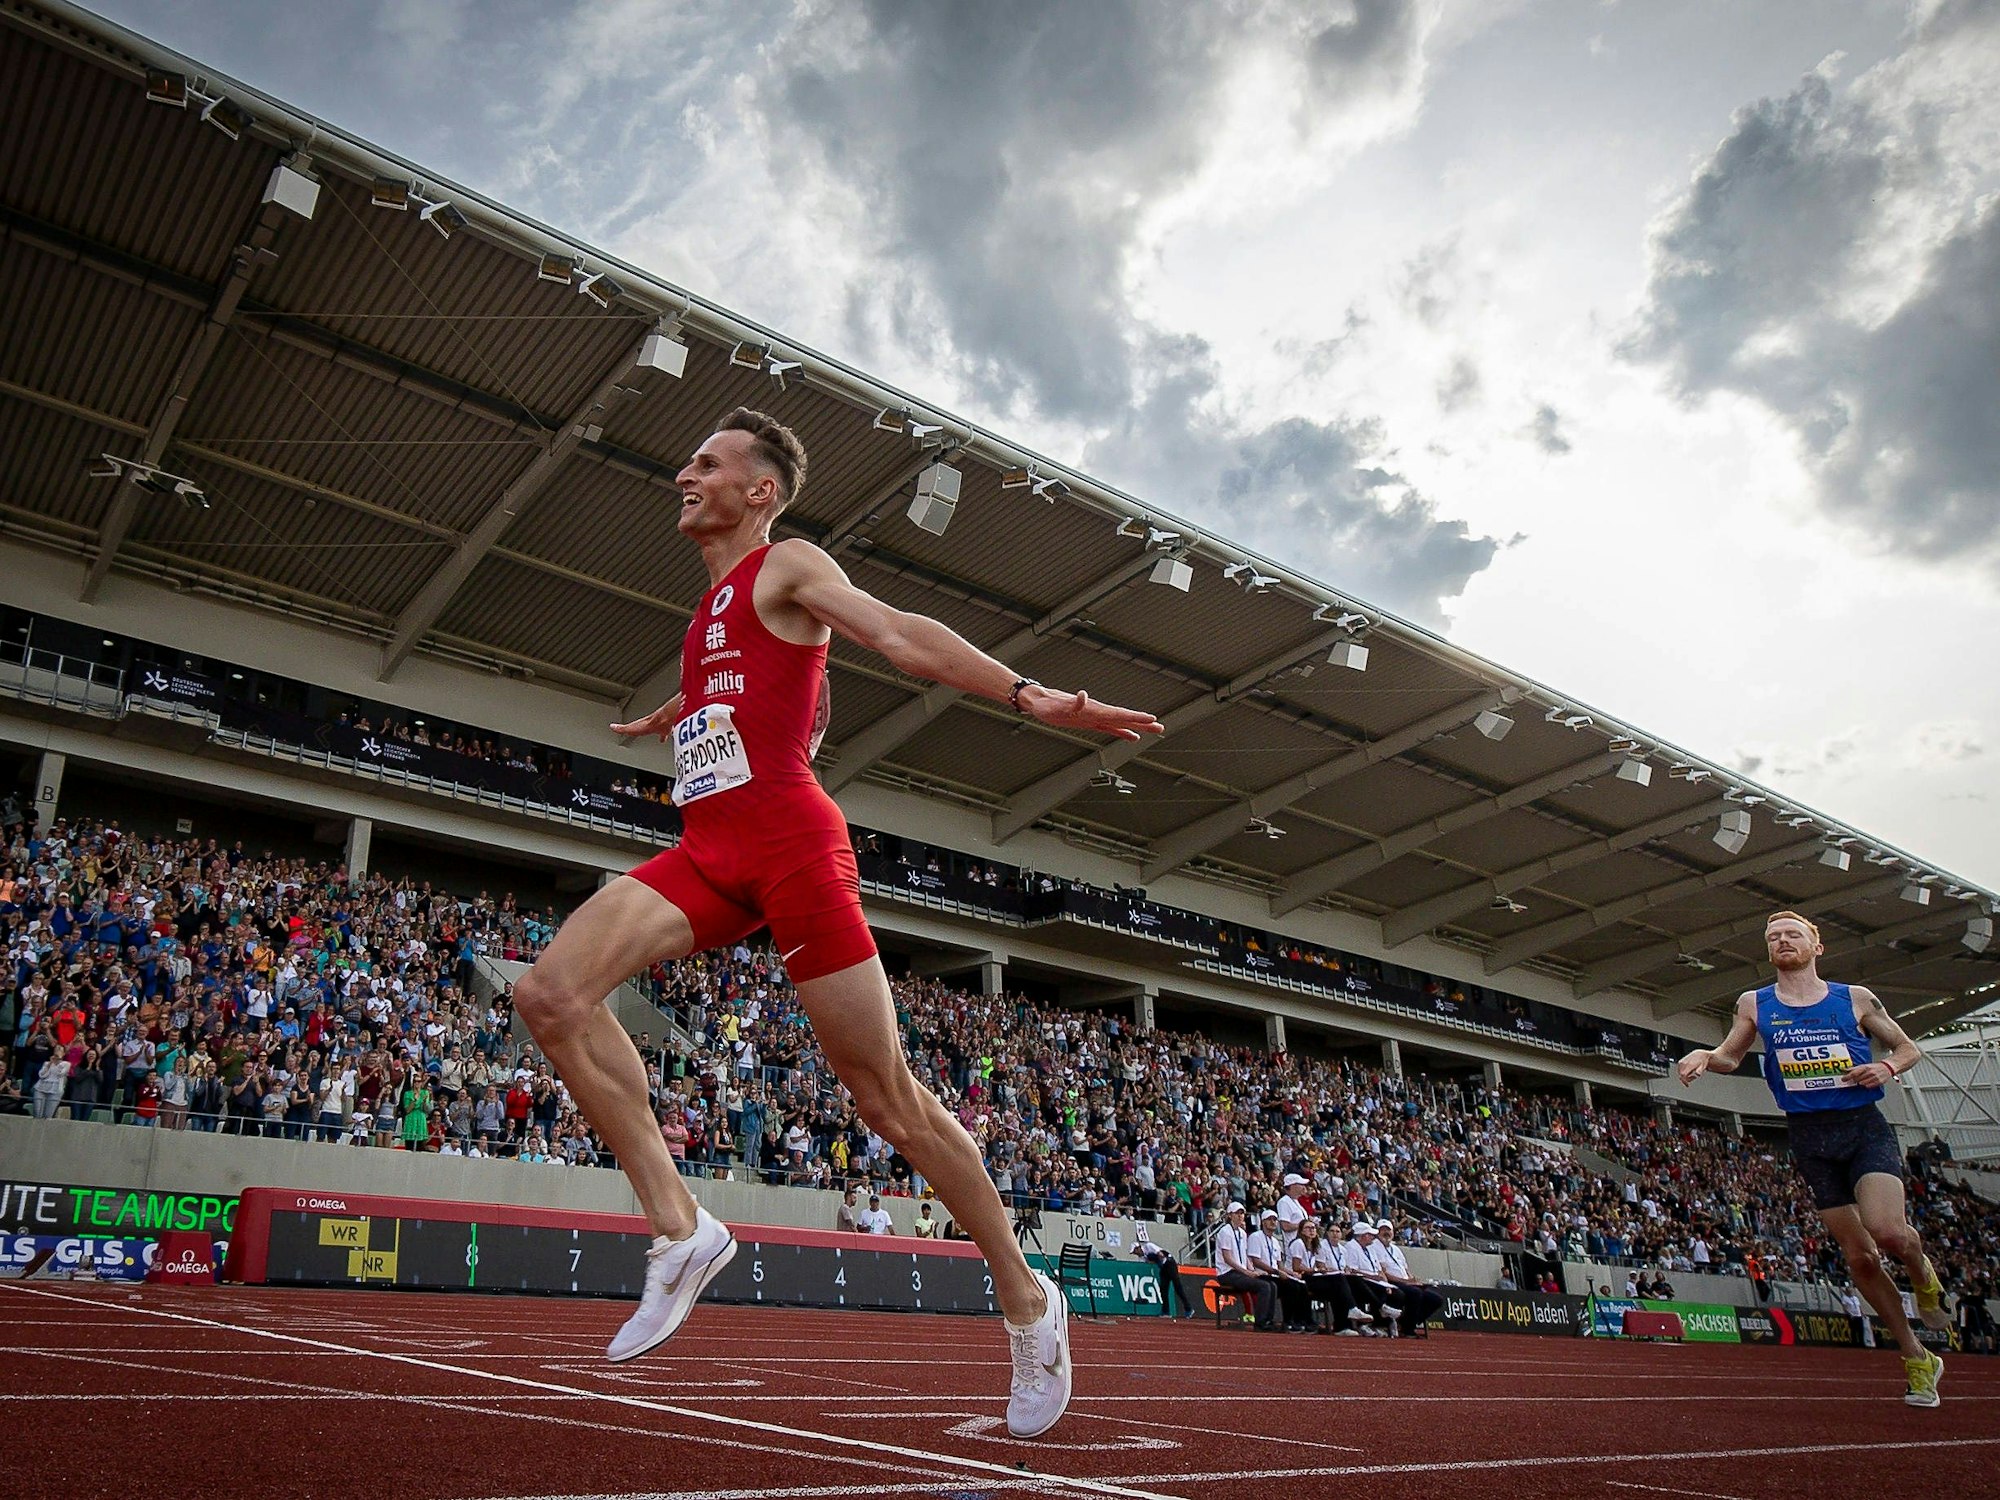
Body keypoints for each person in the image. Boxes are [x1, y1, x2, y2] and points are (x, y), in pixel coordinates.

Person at [510, 408, 1162, 1440]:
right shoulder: (712, 607)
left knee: (887, 1101)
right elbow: (758, 697)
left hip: (792, 850)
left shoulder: (789, 564)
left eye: (707, 462)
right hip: (709, 852)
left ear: (758, 492)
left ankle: (1028, 1302)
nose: (684, 472)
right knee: (547, 993)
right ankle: (681, 1231)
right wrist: (679, 713)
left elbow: (897, 637)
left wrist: (1028, 694)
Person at [1679, 909, 1950, 1406]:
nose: (1783, 941)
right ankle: (1917, 1357)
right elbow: (1731, 1056)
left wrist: (1885, 1067)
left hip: (1862, 1127)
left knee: (1888, 1231)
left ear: (1816, 947)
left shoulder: (1855, 999)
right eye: (1774, 937)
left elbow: (1910, 1048)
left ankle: (1921, 1271)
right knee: (1861, 1258)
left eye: (1793, 935)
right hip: (1808, 1136)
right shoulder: (1754, 1004)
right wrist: (1704, 1057)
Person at [1369, 1220, 1444, 1336]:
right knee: (1415, 1293)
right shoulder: (1374, 1247)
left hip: (1406, 1281)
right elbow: (1383, 1272)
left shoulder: (1396, 1249)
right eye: (1383, 1230)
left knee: (1436, 1299)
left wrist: (1413, 1279)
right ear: (1377, 1232)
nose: (1386, 1232)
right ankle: (1408, 1328)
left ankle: (1406, 1322)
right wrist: (1406, 1281)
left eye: (1388, 1230)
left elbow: (1405, 1269)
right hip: (1392, 1282)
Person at [1213, 1202, 1278, 1331]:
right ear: (1230, 1215)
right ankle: (1260, 1323)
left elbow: (1245, 1256)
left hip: (1240, 1272)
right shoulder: (1225, 1231)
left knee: (1272, 1285)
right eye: (1237, 1213)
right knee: (1263, 1286)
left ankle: (1268, 1320)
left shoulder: (1242, 1233)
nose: (1240, 1216)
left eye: (1242, 1213)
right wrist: (1247, 1272)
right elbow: (1227, 1258)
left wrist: (1252, 1270)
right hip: (1227, 1273)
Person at [1133, 1233, 1197, 1319]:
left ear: (1138, 1248)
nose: (1135, 1254)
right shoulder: (1142, 1257)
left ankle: (1188, 1308)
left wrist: (1157, 1260)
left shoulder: (1149, 1246)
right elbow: (1150, 1262)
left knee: (1178, 1287)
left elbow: (1160, 1255)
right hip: (1163, 1268)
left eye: (1135, 1251)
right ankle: (1166, 1311)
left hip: (1169, 1264)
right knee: (1163, 1289)